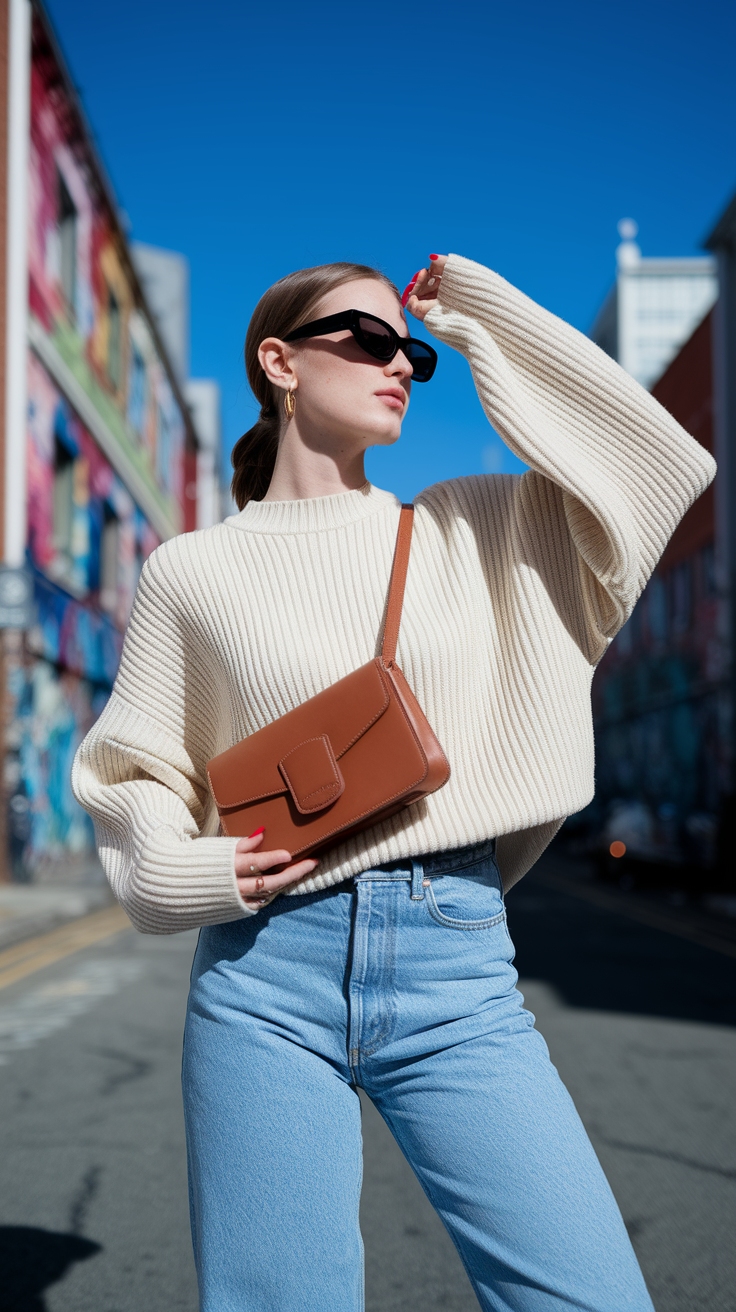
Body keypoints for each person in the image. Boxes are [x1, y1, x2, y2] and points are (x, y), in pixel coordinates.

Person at [72, 253, 714, 1311]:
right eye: (365, 340)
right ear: (278, 362)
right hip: (262, 973)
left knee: (588, 1295)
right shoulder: (191, 570)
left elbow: (658, 466)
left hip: (455, 969)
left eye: (407, 350)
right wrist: (188, 870)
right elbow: (135, 766)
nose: (399, 366)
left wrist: (477, 317)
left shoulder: (480, 527)